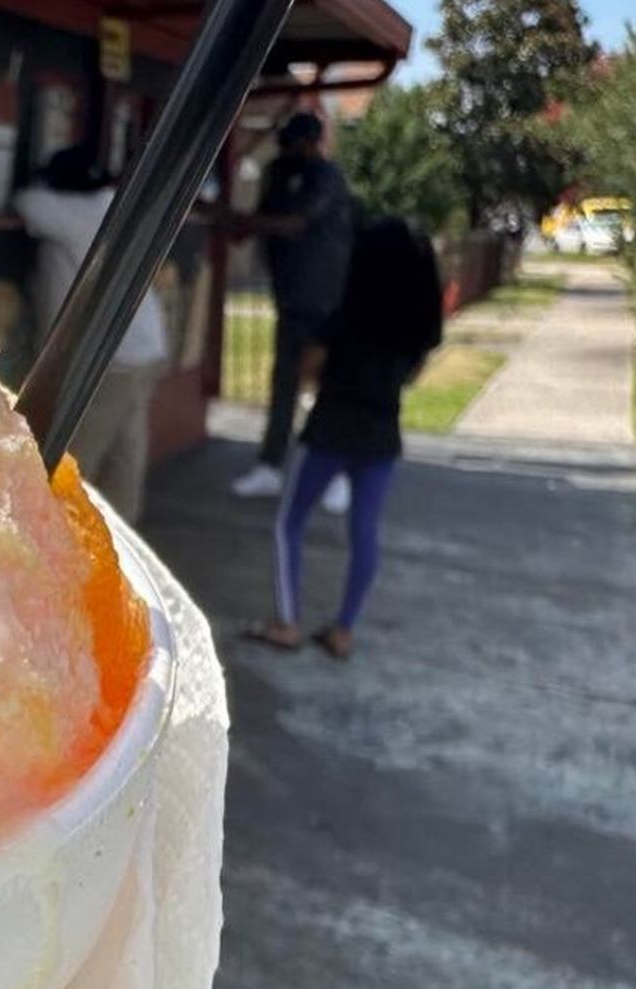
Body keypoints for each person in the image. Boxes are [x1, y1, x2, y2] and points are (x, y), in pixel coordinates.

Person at [243, 216, 444, 659]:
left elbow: (308, 370)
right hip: (382, 437)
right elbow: (411, 374)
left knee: (289, 523)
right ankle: (343, 630)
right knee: (365, 533)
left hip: (330, 430)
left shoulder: (345, 314)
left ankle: (287, 621)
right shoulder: (415, 326)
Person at [13, 145, 168, 522]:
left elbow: (25, 201)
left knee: (75, 462)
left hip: (109, 361)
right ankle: (121, 542)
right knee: (125, 452)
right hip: (145, 349)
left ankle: (76, 549)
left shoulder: (72, 212)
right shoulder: (114, 205)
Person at [228, 111, 355, 510]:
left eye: (295, 142)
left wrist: (248, 222)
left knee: (327, 386)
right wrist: (240, 224)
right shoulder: (279, 173)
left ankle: (334, 473)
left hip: (326, 299)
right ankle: (270, 465)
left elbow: (296, 223)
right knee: (284, 382)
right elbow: (264, 218)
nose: (287, 148)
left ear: (312, 142)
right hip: (290, 297)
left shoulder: (326, 177)